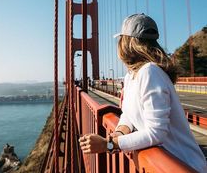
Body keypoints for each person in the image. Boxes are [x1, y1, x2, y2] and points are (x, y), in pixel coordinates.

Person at [79, 13, 207, 173]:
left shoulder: (150, 72)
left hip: (184, 165)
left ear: (127, 42)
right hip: (164, 164)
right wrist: (116, 135)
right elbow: (128, 115)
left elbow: (157, 132)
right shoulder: (132, 76)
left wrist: (108, 145)